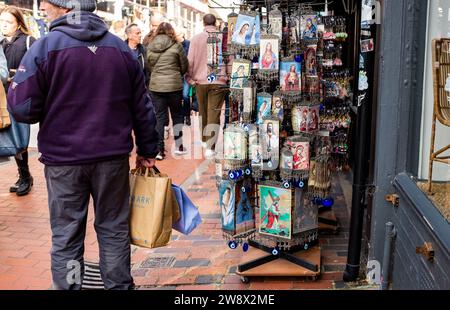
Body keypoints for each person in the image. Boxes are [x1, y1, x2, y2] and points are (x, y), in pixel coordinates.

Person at [8, 0, 158, 290]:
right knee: (113, 228)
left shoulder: (45, 47)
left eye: (48, 3)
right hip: (111, 157)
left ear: (63, 7)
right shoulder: (121, 49)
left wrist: (51, 104)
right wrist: (147, 150)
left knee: (67, 235)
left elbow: (22, 107)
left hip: (64, 159)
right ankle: (118, 287)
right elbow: (143, 105)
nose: (43, 7)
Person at [0, 6, 36, 196]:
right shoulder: (0, 43)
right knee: (7, 138)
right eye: (1, 21)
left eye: (8, 22)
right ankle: (23, 175)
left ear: (18, 23)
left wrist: (20, 77)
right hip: (2, 97)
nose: (4, 26)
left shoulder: (28, 41)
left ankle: (25, 176)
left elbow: (38, 66)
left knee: (19, 139)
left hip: (20, 96)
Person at [186, 14, 228, 158]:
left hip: (200, 81)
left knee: (203, 112)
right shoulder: (223, 37)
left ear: (203, 22)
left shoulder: (196, 38)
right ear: (215, 23)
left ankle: (205, 140)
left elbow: (189, 60)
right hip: (219, 80)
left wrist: (189, 78)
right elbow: (230, 58)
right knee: (214, 113)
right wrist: (228, 75)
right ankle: (210, 146)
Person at [147, 22, 189, 160]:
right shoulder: (177, 46)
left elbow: (149, 66)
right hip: (174, 86)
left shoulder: (150, 46)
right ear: (171, 31)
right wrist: (176, 74)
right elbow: (184, 66)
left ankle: (159, 150)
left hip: (156, 86)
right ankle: (179, 146)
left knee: (159, 117)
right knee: (177, 115)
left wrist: (158, 75)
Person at [176, 27, 194, 126]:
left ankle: (187, 115)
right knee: (178, 96)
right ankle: (181, 117)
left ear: (182, 35)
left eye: (177, 35)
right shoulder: (174, 44)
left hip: (187, 73)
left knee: (185, 95)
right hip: (177, 74)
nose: (175, 37)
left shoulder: (189, 44)